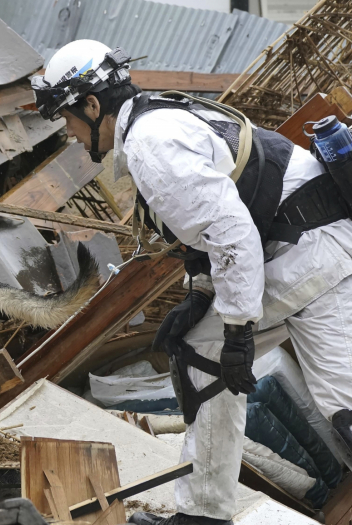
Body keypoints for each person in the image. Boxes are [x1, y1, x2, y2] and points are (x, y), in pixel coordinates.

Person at [32, 39, 352, 525]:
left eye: (69, 120)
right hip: (318, 248)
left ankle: (202, 515)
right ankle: (203, 513)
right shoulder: (163, 117)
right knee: (338, 401)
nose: (71, 134)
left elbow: (232, 233)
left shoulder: (150, 145)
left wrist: (239, 331)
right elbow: (225, 220)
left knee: (204, 356)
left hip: (306, 253)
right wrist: (200, 293)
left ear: (93, 106)